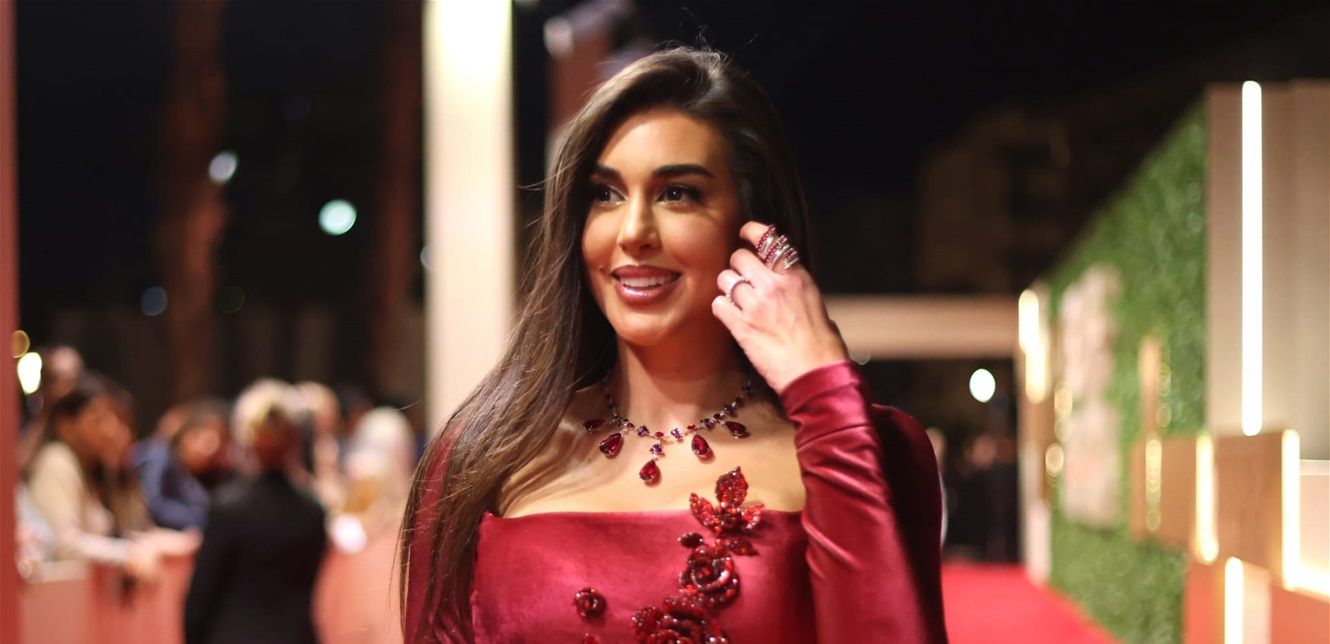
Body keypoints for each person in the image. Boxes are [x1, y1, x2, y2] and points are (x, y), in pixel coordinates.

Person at [401, 47, 945, 643]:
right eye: (605, 194)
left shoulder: (873, 446)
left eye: (677, 193)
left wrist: (825, 391)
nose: (633, 231)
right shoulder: (483, 455)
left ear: (752, 221)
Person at [185, 405, 328, 644]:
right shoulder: (313, 512)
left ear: (250, 442)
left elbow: (202, 595)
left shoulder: (227, 508)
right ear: (293, 442)